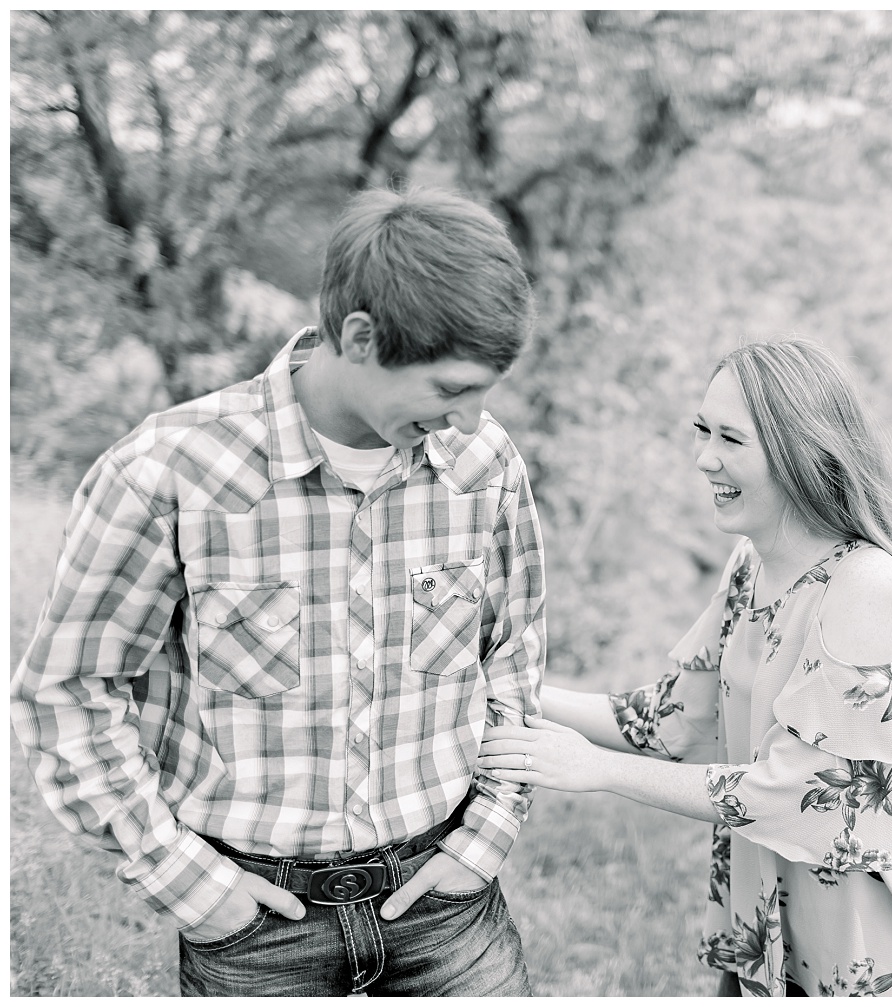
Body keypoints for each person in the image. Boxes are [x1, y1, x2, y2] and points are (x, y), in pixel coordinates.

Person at [12, 187, 544, 996]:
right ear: (361, 337)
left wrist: (489, 833)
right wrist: (189, 882)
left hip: (449, 909)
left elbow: (511, 653)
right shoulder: (169, 469)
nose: (471, 420)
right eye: (449, 390)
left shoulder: (485, 466)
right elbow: (69, 692)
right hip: (255, 931)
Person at [481, 339, 892, 996]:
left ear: (799, 453)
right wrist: (503, 689)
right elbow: (669, 720)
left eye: (731, 438)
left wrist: (599, 770)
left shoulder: (866, 581)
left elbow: (806, 799)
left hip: (863, 948)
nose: (705, 457)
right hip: (768, 928)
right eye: (702, 431)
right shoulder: (750, 566)